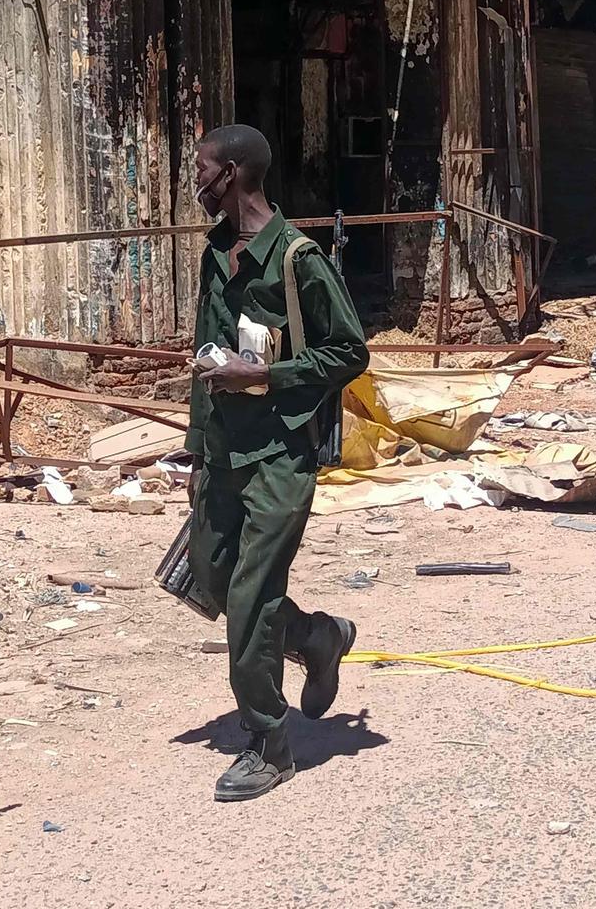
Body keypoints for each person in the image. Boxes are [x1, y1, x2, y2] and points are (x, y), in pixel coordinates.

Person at [186, 124, 370, 802]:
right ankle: (318, 638)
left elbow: (350, 352)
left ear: (232, 173)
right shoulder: (216, 253)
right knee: (210, 580)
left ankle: (269, 744)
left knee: (250, 598)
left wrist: (265, 375)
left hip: (280, 455)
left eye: (201, 169)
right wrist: (196, 448)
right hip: (222, 450)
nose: (195, 181)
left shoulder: (298, 258)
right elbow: (207, 357)